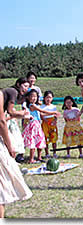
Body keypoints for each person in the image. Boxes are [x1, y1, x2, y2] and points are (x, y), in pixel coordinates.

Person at [0, 77, 33, 218]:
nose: (26, 88)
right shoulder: (11, 92)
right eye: (24, 86)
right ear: (19, 85)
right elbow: (5, 117)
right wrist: (10, 146)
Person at [22, 89, 61, 164]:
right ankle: (31, 159)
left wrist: (52, 115)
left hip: (38, 125)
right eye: (32, 96)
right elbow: (42, 111)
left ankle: (39, 157)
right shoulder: (32, 105)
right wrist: (53, 112)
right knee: (33, 142)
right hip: (33, 125)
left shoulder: (36, 105)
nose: (34, 98)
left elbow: (42, 114)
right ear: (28, 97)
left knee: (39, 140)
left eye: (35, 96)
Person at [41, 91, 58, 158]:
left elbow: (55, 115)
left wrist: (54, 121)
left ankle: (54, 152)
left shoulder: (53, 107)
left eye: (50, 97)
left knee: (54, 138)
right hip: (45, 123)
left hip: (52, 123)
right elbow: (41, 115)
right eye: (47, 97)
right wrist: (45, 119)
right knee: (46, 138)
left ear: (52, 98)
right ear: (44, 98)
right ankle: (47, 153)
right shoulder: (42, 106)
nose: (48, 99)